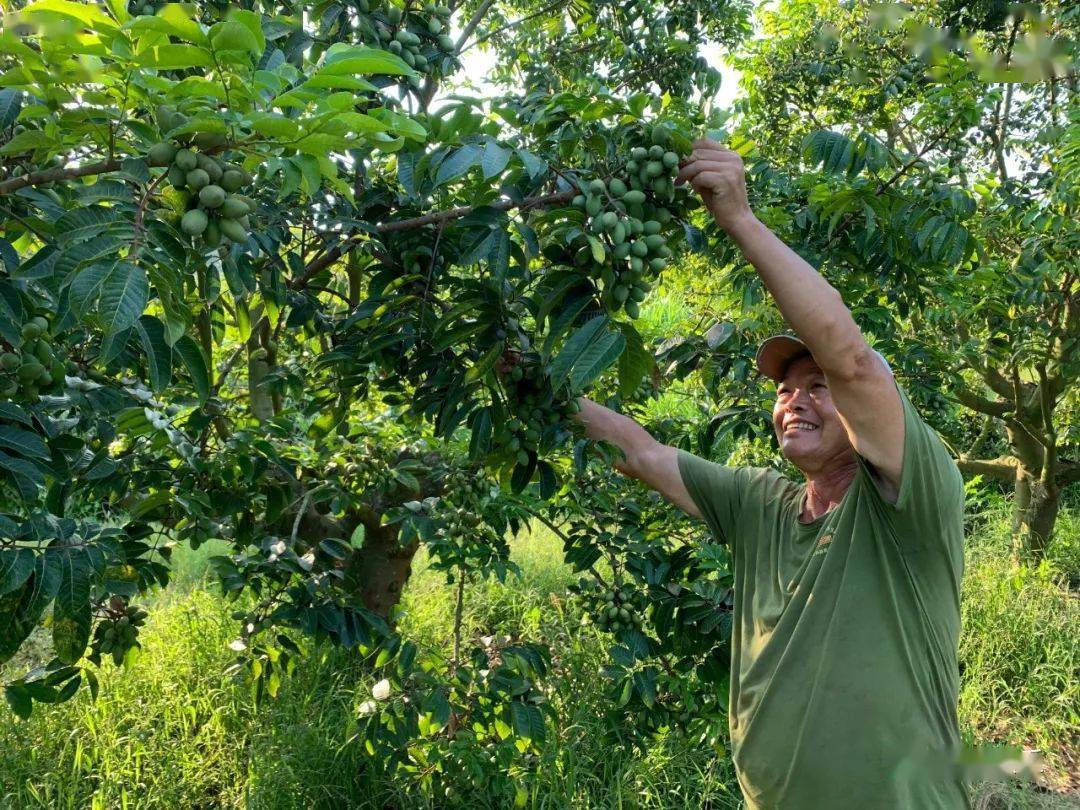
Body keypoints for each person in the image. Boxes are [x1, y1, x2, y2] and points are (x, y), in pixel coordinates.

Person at [574, 140, 970, 809]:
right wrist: (538, 382)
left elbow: (855, 361)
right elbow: (640, 453)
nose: (795, 400)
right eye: (786, 391)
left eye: (818, 388)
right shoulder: (760, 504)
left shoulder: (911, 502)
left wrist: (740, 220)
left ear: (868, 413)